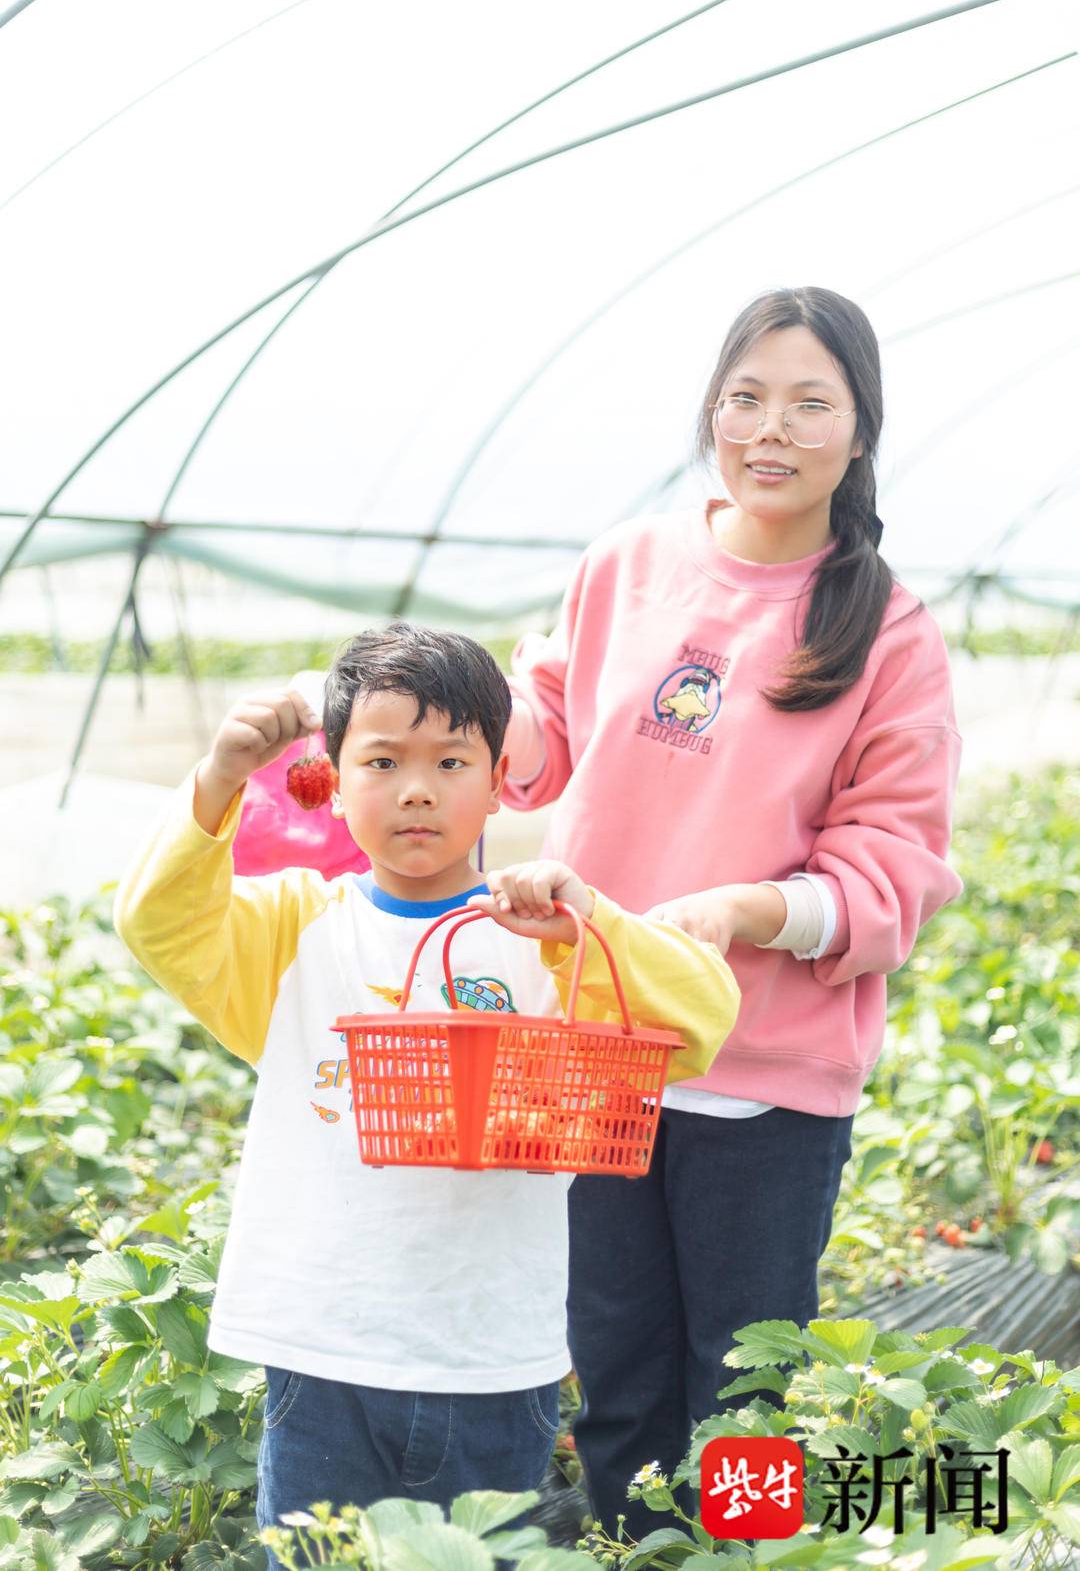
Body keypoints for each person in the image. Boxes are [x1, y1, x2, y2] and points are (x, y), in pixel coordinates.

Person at [113, 621, 740, 1560]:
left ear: (499, 782)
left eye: (452, 760)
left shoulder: (544, 942)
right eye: (380, 761)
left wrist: (591, 921)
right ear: (333, 777)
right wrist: (217, 781)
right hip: (322, 1353)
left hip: (492, 1359)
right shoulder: (292, 931)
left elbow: (700, 1019)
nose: (417, 788)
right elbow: (159, 922)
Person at [498, 287, 964, 1536]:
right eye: (746, 398)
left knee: (747, 1389)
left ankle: (747, 1562)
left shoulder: (889, 631)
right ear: (712, 411)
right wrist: (424, 721)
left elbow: (894, 871)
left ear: (859, 433)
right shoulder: (627, 566)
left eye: (812, 403)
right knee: (616, 1364)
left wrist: (750, 911)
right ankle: (631, 1549)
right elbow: (539, 746)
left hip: (765, 1075)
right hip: (601, 1045)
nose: (773, 428)